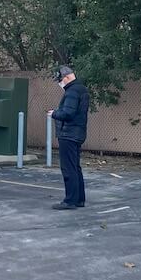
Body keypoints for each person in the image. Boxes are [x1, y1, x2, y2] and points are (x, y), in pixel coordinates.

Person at [48, 64, 88, 210]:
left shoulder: (72, 91)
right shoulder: (81, 89)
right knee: (75, 167)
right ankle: (79, 199)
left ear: (66, 77)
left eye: (60, 80)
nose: (60, 83)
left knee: (68, 167)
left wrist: (54, 114)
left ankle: (70, 200)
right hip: (78, 133)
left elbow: (68, 113)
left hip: (68, 133)